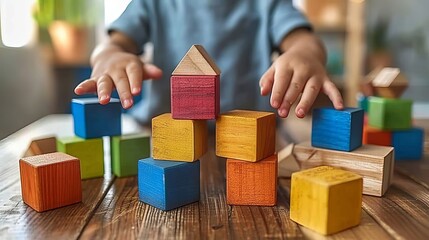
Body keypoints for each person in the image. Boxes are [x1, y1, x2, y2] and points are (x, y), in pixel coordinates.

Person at [74, 0, 344, 125]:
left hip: (251, 136)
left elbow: (304, 41)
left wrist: (307, 55)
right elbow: (113, 44)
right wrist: (109, 55)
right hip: (163, 132)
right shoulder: (151, 3)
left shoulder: (269, 4)